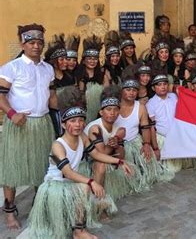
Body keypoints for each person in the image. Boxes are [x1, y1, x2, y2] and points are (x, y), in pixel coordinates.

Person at [28, 88, 132, 238]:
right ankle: (79, 231)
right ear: (63, 124)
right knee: (84, 187)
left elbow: (96, 154)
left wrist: (120, 161)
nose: (78, 124)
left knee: (84, 187)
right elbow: (68, 172)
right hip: (55, 186)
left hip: (69, 184)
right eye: (73, 121)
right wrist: (92, 182)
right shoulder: (58, 145)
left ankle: (79, 228)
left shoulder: (82, 137)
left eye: (81, 120)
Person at [0, 24, 57, 230]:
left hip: (42, 124)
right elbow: (1, 95)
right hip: (19, 124)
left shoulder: (48, 69)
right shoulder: (11, 68)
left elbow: (51, 97)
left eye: (39, 42)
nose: (36, 46)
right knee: (12, 169)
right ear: (22, 44)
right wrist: (12, 114)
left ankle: (39, 205)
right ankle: (9, 210)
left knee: (41, 166)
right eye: (31, 42)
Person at [115, 79, 171, 189]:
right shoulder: (114, 106)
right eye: (128, 90)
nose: (131, 92)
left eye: (134, 90)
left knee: (147, 161)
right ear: (122, 91)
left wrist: (146, 144)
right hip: (117, 144)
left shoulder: (140, 107)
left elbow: (145, 128)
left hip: (135, 142)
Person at [84, 86, 136, 201]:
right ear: (101, 112)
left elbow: (121, 155)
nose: (112, 113)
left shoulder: (118, 128)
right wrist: (112, 144)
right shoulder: (95, 128)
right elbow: (100, 154)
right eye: (108, 109)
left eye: (115, 109)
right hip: (87, 162)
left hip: (106, 158)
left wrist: (117, 142)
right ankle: (98, 201)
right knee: (101, 165)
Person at [146, 74, 183, 172]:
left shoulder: (174, 97)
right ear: (154, 88)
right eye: (159, 85)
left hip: (176, 137)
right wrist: (156, 148)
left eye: (165, 84)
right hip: (162, 138)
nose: (163, 87)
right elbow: (152, 127)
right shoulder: (151, 103)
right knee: (167, 169)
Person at [75, 35, 104, 123]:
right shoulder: (78, 76)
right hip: (84, 114)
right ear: (84, 60)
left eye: (95, 59)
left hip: (99, 113)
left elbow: (106, 94)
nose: (92, 61)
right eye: (89, 58)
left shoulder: (102, 75)